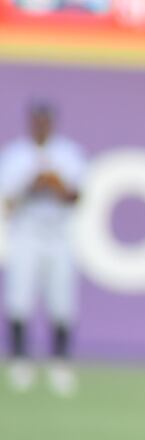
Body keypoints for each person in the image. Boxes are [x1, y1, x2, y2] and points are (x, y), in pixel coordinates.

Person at [1, 101, 87, 397]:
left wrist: (55, 183)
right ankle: (20, 361)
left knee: (61, 299)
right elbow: (8, 203)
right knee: (18, 297)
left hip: (58, 235)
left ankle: (60, 363)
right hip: (26, 234)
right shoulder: (15, 155)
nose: (40, 126)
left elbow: (76, 196)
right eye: (36, 120)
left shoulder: (68, 154)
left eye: (45, 121)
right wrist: (32, 184)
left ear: (52, 123)